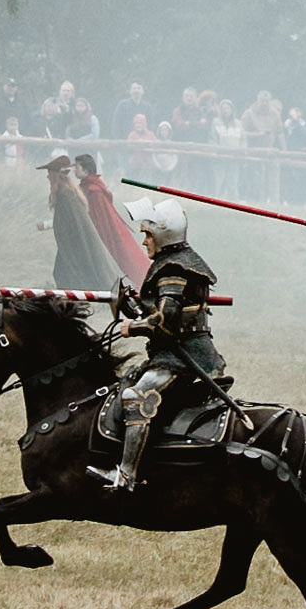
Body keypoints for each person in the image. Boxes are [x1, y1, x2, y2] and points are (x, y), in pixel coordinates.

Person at [90, 197, 227, 492]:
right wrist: (131, 308)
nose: (144, 242)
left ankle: (126, 476)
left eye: (148, 235)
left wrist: (133, 327)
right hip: (175, 354)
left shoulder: (174, 269)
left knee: (136, 398)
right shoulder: (175, 263)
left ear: (163, 234)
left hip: (185, 358)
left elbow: (165, 321)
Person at [35, 154, 118, 291]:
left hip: (75, 244)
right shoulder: (65, 191)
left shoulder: (66, 194)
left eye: (50, 175)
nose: (48, 178)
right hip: (70, 243)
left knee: (68, 273)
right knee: (62, 273)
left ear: (57, 176)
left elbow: (75, 223)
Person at [75, 154, 150, 286]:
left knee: (127, 257)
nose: (74, 170)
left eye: (77, 167)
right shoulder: (87, 187)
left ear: (85, 169)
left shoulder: (94, 191)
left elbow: (98, 219)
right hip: (97, 231)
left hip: (105, 231)